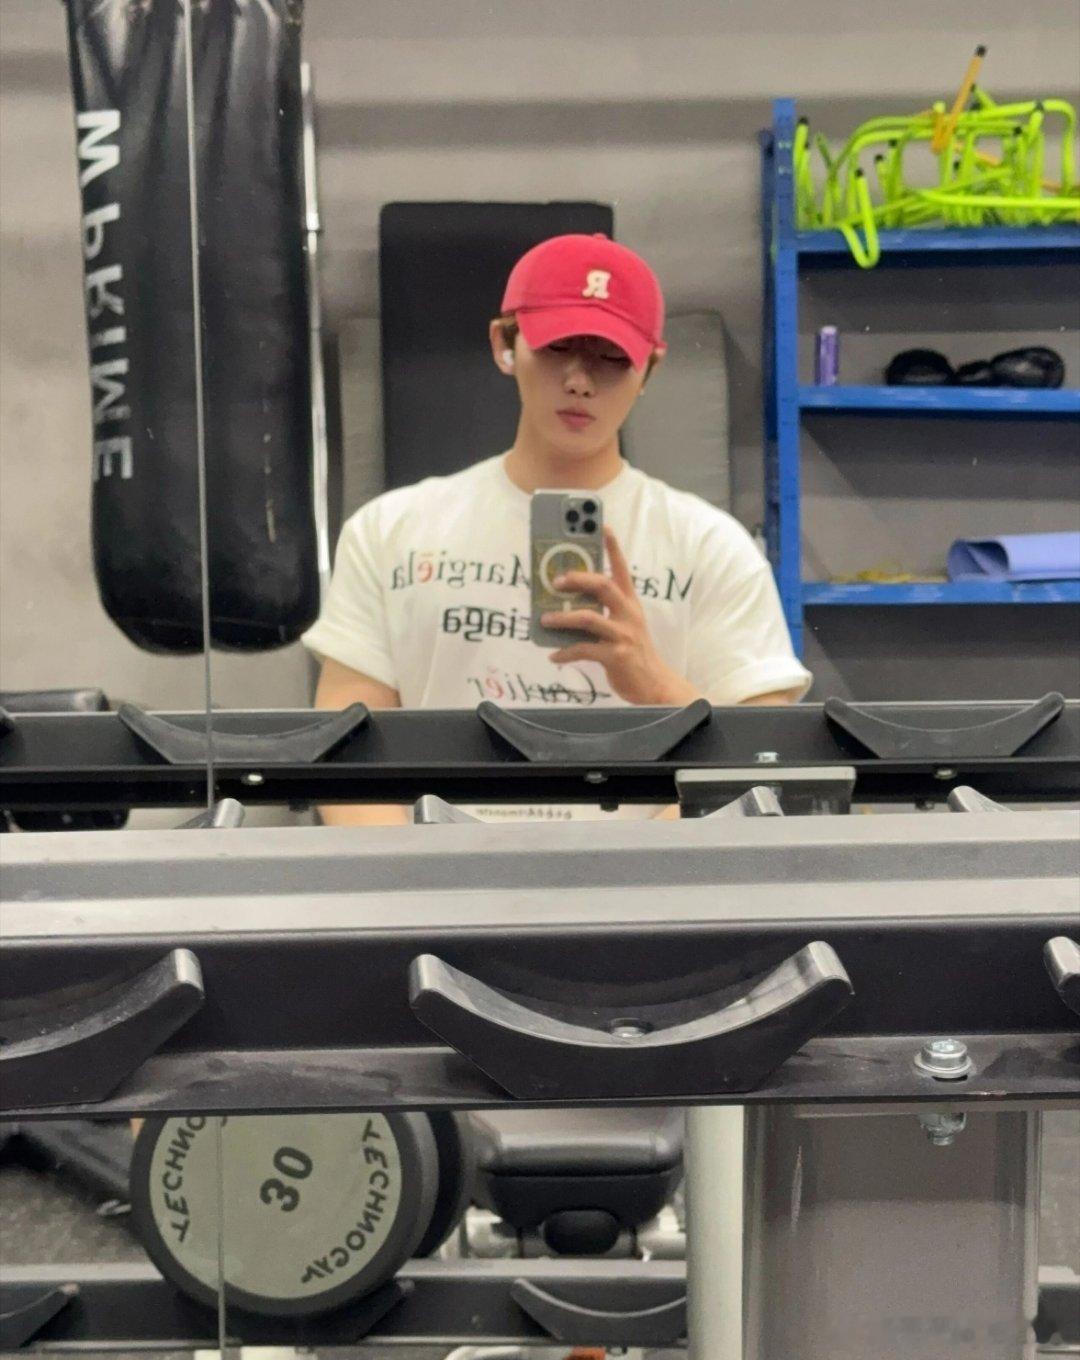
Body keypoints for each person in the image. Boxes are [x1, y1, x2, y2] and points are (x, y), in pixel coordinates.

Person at [303, 233, 811, 824]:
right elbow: (348, 741)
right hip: (436, 869)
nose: (579, 380)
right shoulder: (390, 531)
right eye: (558, 346)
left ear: (649, 367)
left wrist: (655, 685)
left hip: (649, 872)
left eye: (611, 356)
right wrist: (416, 870)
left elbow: (764, 761)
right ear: (505, 343)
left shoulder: (711, 548)